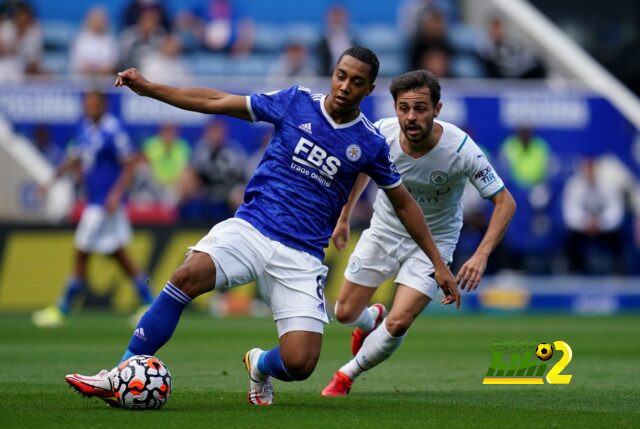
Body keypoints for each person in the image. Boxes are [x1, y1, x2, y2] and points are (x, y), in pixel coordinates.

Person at [64, 47, 458, 407]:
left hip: (302, 255)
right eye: (340, 75)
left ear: (368, 89)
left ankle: (260, 365)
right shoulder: (296, 102)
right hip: (252, 227)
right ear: (333, 74)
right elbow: (216, 100)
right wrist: (150, 89)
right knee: (188, 275)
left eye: (356, 82)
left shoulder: (370, 143)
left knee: (300, 363)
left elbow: (405, 204)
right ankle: (119, 372)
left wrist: (438, 264)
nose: (344, 86)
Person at [320, 70, 516, 396]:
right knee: (343, 313)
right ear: (395, 108)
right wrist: (344, 215)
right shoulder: (380, 134)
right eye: (404, 108)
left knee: (398, 323)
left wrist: (481, 255)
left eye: (421, 108)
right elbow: (360, 172)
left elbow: (505, 202)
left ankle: (345, 376)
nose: (411, 117)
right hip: (383, 232)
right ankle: (371, 320)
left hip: (433, 245)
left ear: (437, 109)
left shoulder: (462, 149)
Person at [32, 91, 154, 328]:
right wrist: (50, 181)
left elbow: (130, 164)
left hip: (104, 203)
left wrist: (116, 195)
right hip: (96, 201)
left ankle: (63, 308)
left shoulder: (113, 131)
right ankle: (148, 302)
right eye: (86, 103)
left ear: (104, 105)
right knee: (118, 253)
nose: (89, 107)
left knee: (81, 250)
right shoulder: (86, 128)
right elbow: (74, 158)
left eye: (94, 103)